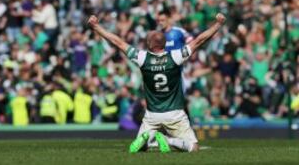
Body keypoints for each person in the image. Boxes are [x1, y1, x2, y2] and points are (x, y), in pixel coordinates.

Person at [87, 13, 226, 153]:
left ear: (150, 44)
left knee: (142, 147)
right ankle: (167, 140)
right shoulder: (176, 57)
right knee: (193, 148)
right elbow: (199, 40)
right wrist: (218, 24)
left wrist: (97, 27)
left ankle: (149, 141)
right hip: (175, 114)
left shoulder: (142, 58)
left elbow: (118, 42)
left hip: (152, 115)